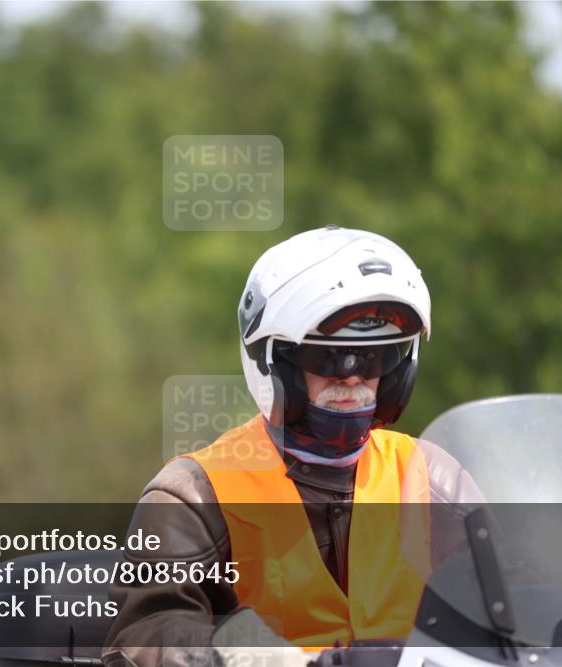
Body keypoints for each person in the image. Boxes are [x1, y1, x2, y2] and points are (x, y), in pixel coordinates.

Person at [103, 227, 482, 667]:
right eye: (328, 359)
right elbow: (147, 633)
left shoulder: (432, 479)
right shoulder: (194, 494)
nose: (353, 377)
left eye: (376, 357)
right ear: (273, 362)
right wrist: (255, 657)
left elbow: (514, 606)